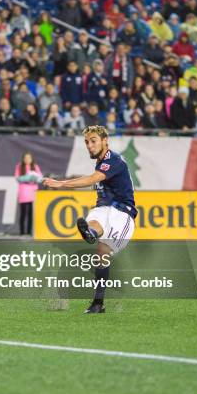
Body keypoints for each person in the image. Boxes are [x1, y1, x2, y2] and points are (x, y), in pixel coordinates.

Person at [43, 126, 137, 314]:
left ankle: (97, 303)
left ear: (105, 141)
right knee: (95, 222)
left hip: (123, 213)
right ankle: (91, 233)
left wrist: (61, 184)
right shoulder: (101, 162)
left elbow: (93, 178)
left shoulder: (114, 160)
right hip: (103, 208)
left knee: (102, 252)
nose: (89, 145)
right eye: (87, 142)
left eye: (93, 140)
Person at [14, 152, 42, 236]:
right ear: (23, 159)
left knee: (31, 213)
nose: (27, 159)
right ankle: (22, 232)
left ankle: (29, 232)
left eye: (29, 158)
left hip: (33, 191)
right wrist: (27, 177)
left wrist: (35, 177)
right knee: (23, 212)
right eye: (25, 158)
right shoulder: (19, 166)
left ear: (31, 159)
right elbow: (17, 178)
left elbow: (40, 177)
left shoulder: (35, 166)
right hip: (23, 190)